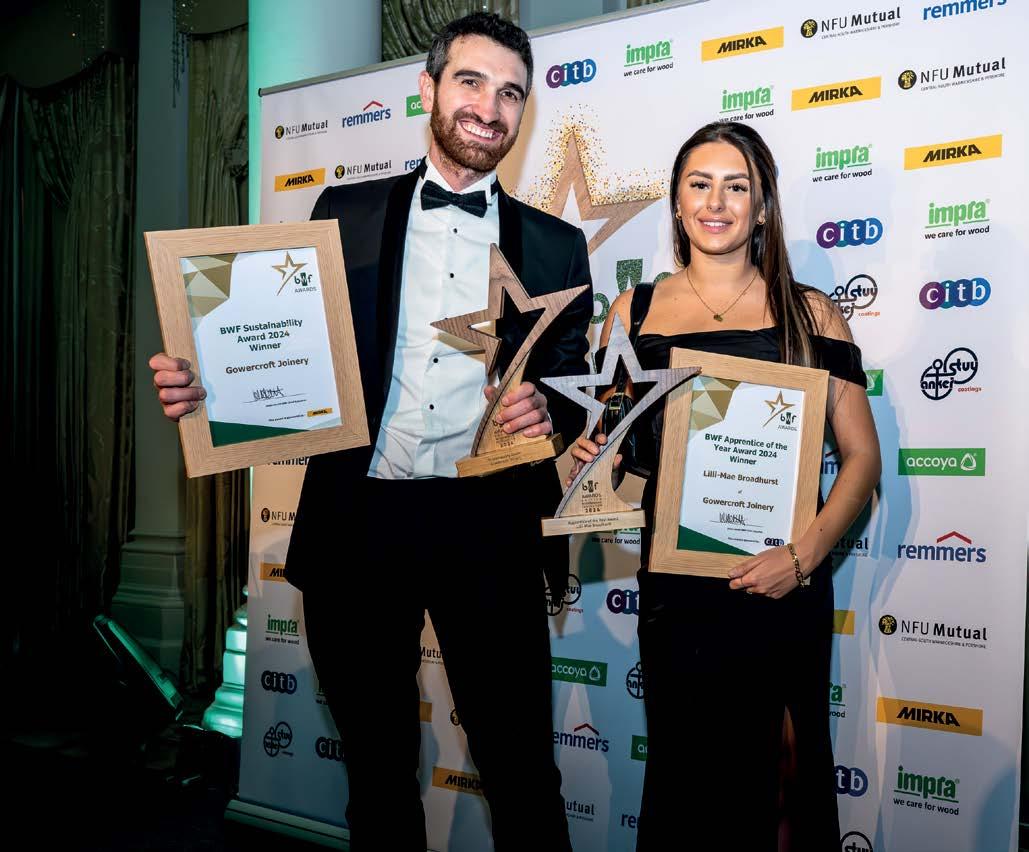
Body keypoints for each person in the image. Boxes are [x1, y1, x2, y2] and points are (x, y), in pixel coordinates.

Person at [151, 13, 593, 851]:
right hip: (360, 526)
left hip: (488, 528)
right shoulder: (343, 211)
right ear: (428, 89)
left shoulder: (556, 245)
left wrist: (548, 413)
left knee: (522, 774)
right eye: (470, 82)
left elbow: (568, 382)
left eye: (510, 93)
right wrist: (211, 387)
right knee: (378, 774)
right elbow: (288, 349)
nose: (488, 108)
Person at [569, 121, 881, 851]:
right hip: (678, 591)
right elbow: (607, 450)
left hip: (782, 584)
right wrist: (591, 457)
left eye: (736, 186)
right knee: (686, 781)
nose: (716, 203)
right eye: (699, 184)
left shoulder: (810, 311)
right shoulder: (633, 312)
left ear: (762, 206)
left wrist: (800, 559)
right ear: (677, 203)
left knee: (781, 785)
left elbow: (862, 457)